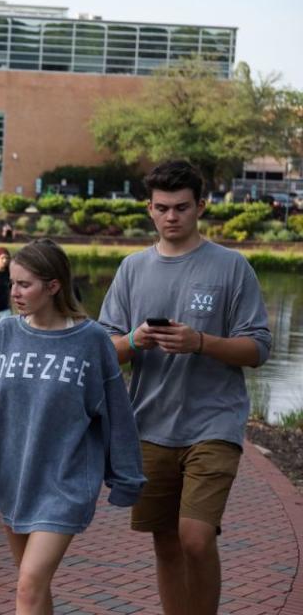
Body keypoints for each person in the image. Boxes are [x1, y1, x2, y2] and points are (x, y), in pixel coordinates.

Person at [97, 160, 272, 615]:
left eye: (181, 207)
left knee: (196, 537)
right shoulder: (132, 269)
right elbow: (101, 350)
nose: (171, 216)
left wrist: (200, 342)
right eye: (162, 208)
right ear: (149, 210)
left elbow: (258, 348)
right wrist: (134, 341)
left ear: (200, 207)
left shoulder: (231, 267)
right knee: (166, 542)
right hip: (149, 425)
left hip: (214, 422)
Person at [0, 239, 145, 615]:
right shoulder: (6, 334)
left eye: (25, 284)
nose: (14, 292)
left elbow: (117, 414)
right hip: (14, 481)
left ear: (54, 286)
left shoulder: (90, 341)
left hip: (65, 483)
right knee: (34, 587)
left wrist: (126, 477)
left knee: (28, 585)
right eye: (13, 283)